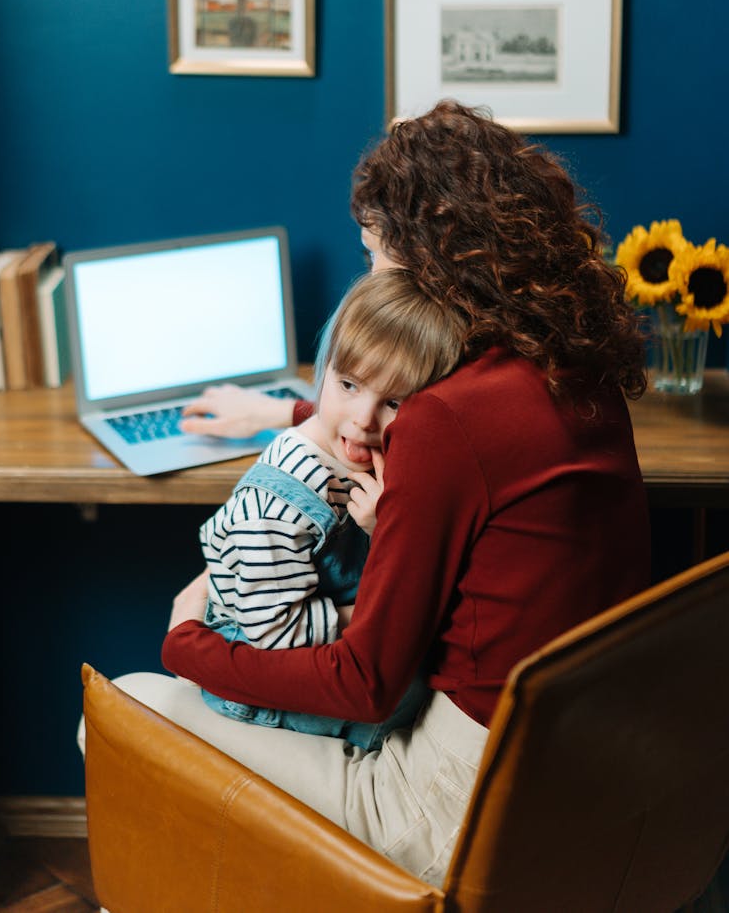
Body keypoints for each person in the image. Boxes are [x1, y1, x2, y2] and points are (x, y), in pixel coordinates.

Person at [110, 100, 650, 886]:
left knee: (131, 705)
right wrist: (292, 411)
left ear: (437, 257)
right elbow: (469, 450)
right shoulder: (570, 366)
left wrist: (187, 641)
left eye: (375, 255)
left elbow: (364, 685)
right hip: (577, 772)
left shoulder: (446, 422)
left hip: (451, 806)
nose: (370, 278)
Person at [197, 268, 465, 750]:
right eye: (348, 385)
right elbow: (276, 634)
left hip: (324, 656)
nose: (363, 419)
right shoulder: (276, 504)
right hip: (261, 686)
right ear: (324, 370)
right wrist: (367, 610)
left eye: (395, 402)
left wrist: (383, 528)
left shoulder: (376, 463)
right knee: (410, 703)